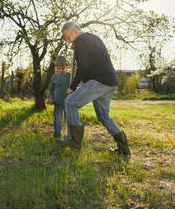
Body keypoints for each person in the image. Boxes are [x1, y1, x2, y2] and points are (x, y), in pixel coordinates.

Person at [55, 22, 131, 156]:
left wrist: (72, 87)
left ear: (73, 32)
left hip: (99, 81)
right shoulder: (92, 37)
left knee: (70, 102)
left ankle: (74, 141)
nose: (67, 41)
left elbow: (83, 67)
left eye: (67, 37)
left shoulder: (80, 41)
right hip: (110, 82)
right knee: (103, 116)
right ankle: (124, 149)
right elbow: (89, 64)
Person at [48, 56, 71, 139]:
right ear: (56, 67)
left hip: (67, 103)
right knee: (57, 120)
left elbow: (73, 88)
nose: (60, 70)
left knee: (68, 120)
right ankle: (57, 135)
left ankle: (68, 136)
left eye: (63, 68)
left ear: (66, 66)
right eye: (58, 68)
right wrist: (51, 98)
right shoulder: (54, 76)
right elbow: (51, 89)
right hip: (57, 102)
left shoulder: (69, 76)